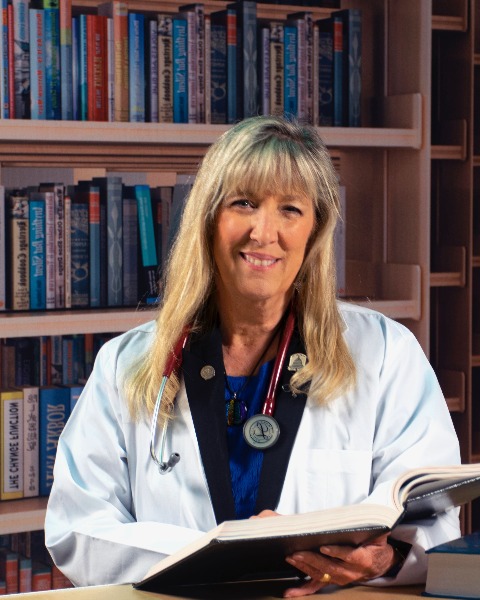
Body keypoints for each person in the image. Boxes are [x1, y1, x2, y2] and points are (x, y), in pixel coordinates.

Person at [45, 116, 461, 596]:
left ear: (314, 231)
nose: (264, 233)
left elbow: (433, 520)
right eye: (243, 203)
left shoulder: (385, 353)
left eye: (290, 209)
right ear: (209, 218)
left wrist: (387, 558)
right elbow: (79, 527)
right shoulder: (127, 363)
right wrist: (217, 554)